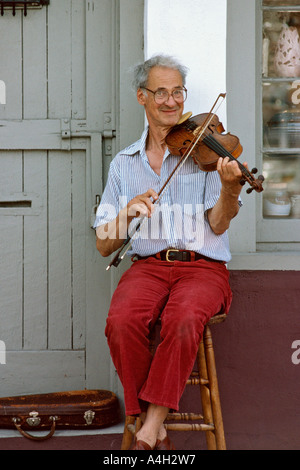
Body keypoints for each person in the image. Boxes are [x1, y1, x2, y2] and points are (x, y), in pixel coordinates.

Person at [94, 55, 246, 450]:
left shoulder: (206, 155)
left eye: (177, 91)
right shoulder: (124, 164)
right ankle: (148, 421)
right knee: (121, 320)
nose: (171, 101)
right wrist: (128, 212)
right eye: (160, 92)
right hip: (147, 267)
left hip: (203, 268)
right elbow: (103, 243)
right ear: (142, 98)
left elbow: (218, 223)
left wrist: (230, 189)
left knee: (182, 320)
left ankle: (150, 423)